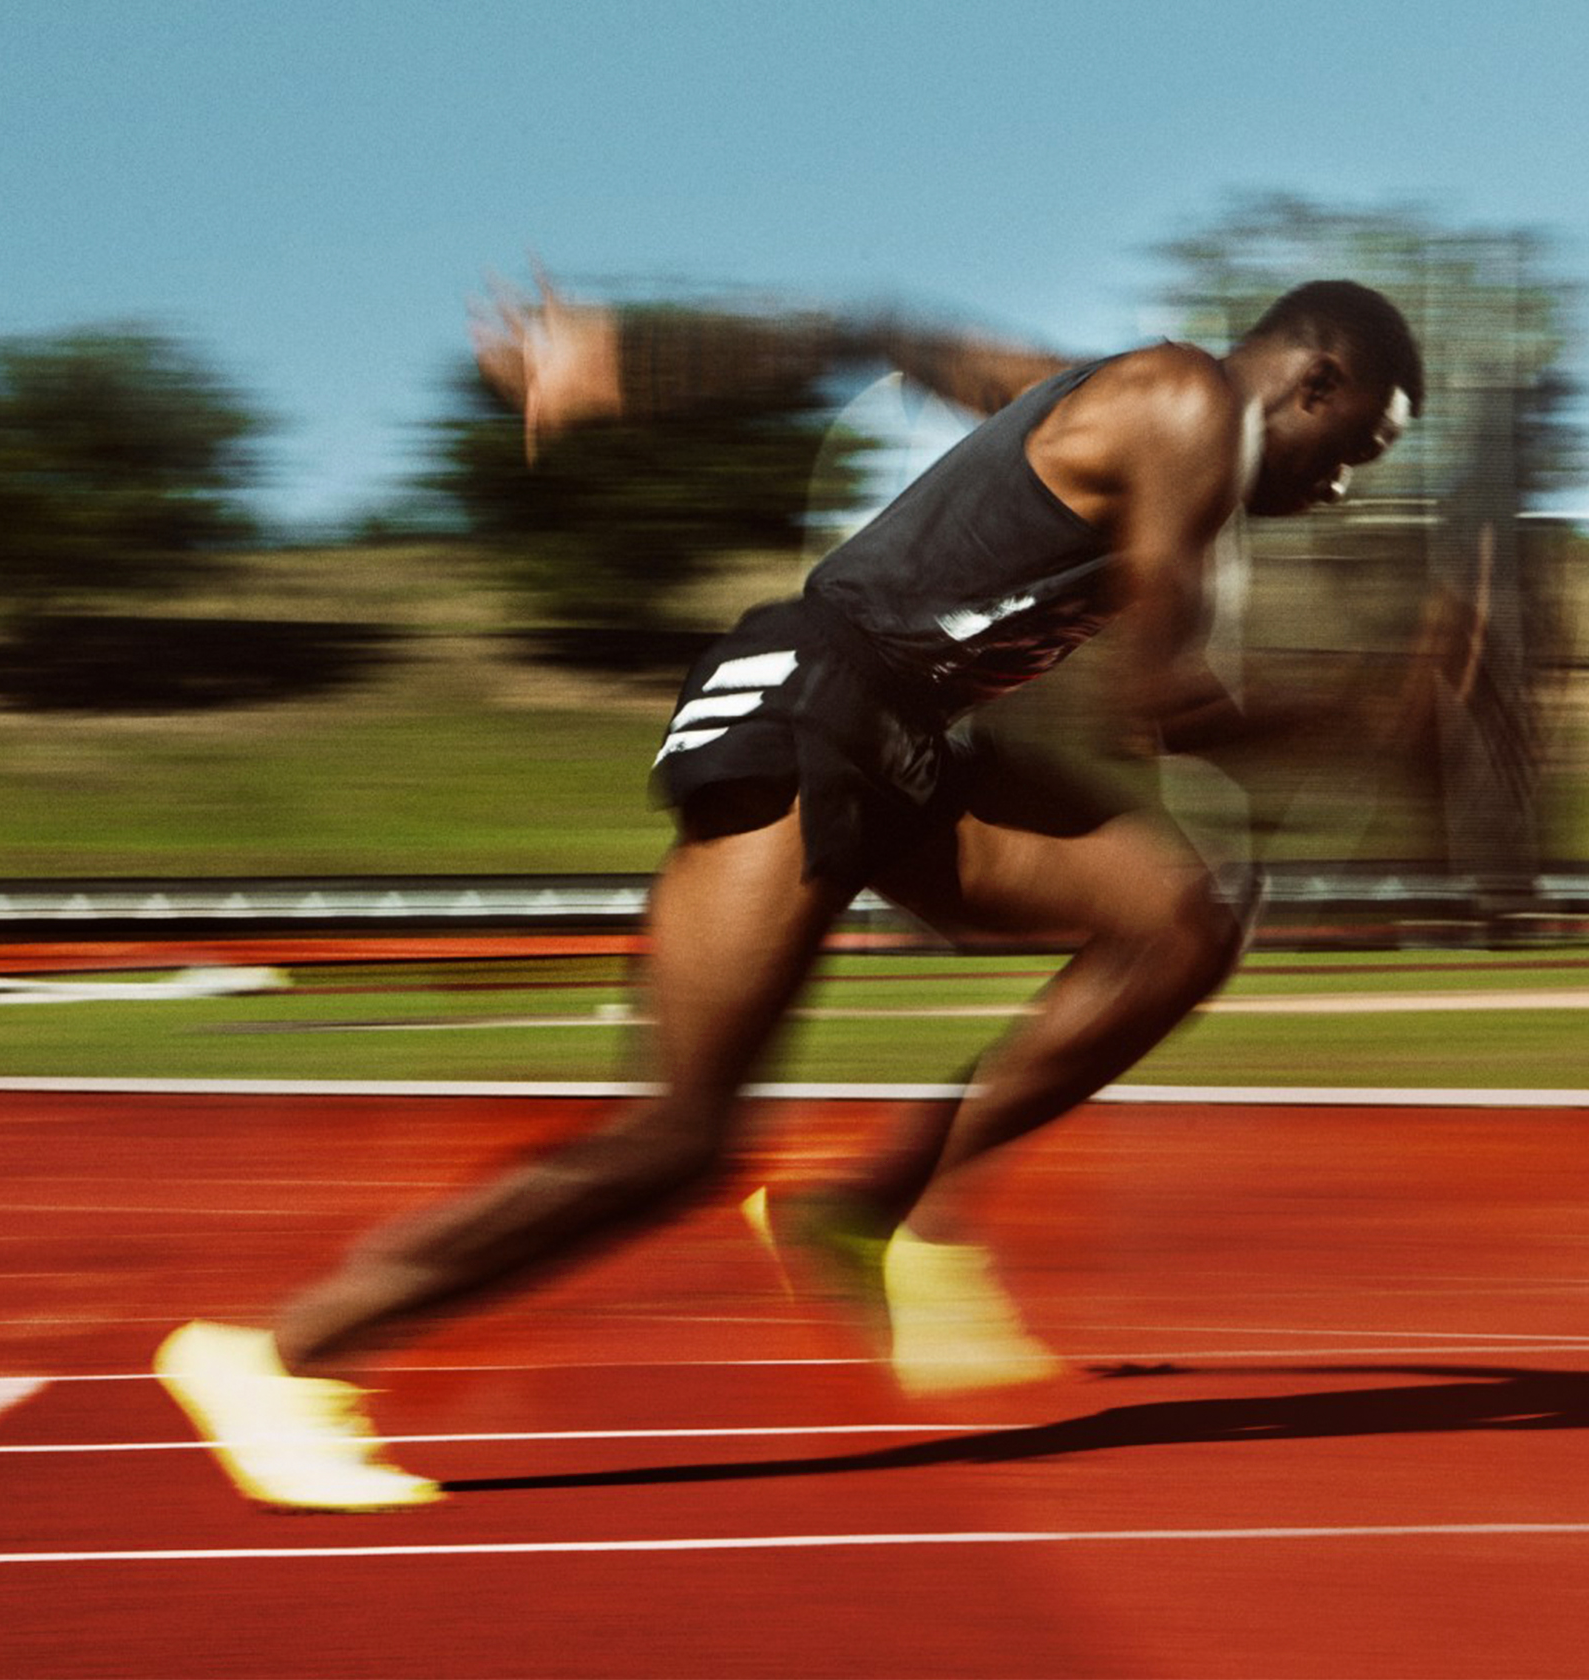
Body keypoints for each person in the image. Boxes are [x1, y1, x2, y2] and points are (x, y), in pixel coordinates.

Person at [155, 272, 1428, 1512]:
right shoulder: (1188, 408)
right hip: (818, 699)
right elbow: (1161, 702)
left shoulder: (1119, 395)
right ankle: (281, 1356)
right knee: (677, 1140)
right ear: (1314, 379)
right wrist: (1387, 709)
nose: (1342, 485)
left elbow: (877, 330)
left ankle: (865, 1214)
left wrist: (631, 366)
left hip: (915, 739)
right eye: (1357, 444)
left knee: (1177, 923)